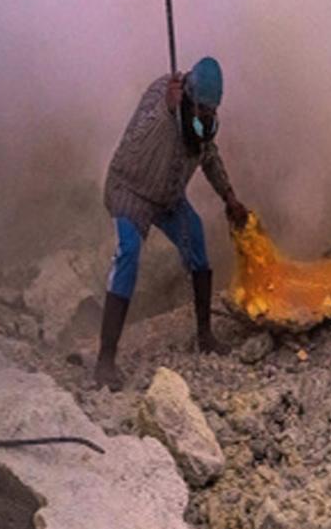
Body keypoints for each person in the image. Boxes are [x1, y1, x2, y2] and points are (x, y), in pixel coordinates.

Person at [95, 56, 248, 389]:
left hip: (168, 197)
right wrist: (168, 110)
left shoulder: (204, 122)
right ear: (190, 98)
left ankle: (205, 335)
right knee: (129, 254)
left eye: (212, 111)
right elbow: (139, 133)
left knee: (197, 246)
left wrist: (230, 197)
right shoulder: (162, 96)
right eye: (202, 110)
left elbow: (209, 157)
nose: (207, 117)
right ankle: (105, 360)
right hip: (131, 190)